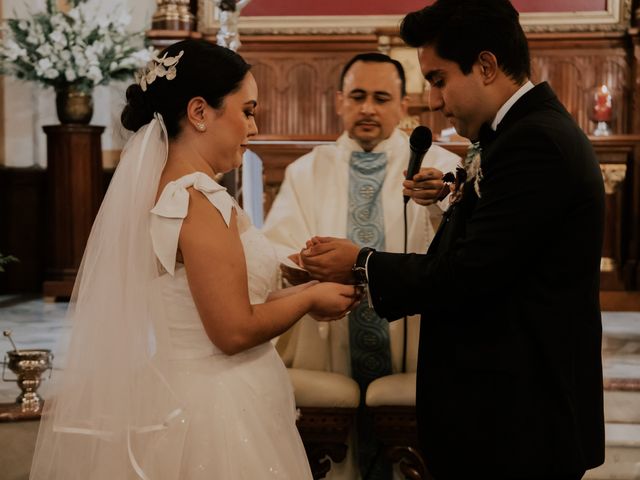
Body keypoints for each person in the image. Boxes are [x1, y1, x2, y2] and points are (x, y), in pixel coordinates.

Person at [296, 1, 606, 479]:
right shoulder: (517, 133)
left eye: (438, 79)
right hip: (504, 409)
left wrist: (362, 262)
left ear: (485, 66)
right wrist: (452, 194)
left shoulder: (534, 141)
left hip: (519, 415)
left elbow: (468, 274)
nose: (434, 100)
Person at [29, 39, 359, 480]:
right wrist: (309, 300)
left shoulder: (162, 192)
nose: (254, 128)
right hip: (220, 409)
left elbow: (203, 301)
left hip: (178, 392)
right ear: (200, 112)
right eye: (247, 111)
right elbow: (233, 330)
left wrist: (302, 285)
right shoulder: (198, 199)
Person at [262, 52, 459, 479]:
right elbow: (278, 249)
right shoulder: (306, 170)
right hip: (330, 334)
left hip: (413, 338)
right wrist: (304, 261)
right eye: (358, 96)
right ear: (339, 102)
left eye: (382, 97)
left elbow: (458, 251)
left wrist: (437, 203)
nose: (368, 108)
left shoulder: (436, 166)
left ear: (402, 106)